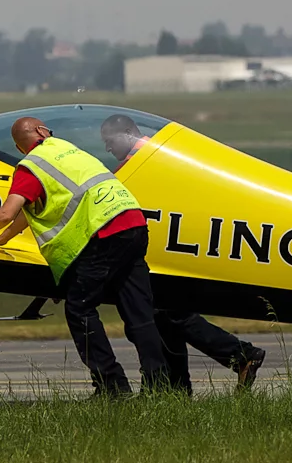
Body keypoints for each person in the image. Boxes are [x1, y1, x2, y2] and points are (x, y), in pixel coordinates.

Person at [0, 114, 170, 397]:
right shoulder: (65, 150)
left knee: (80, 309)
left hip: (104, 234)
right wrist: (3, 238)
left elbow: (6, 212)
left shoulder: (31, 167)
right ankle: (159, 387)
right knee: (139, 313)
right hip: (133, 224)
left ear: (21, 145)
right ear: (41, 131)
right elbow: (29, 208)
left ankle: (112, 385)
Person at [98, 114, 268, 393]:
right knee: (164, 314)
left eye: (109, 141)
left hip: (162, 254)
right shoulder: (150, 160)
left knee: (167, 314)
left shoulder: (137, 167)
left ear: (128, 133)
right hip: (166, 251)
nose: (107, 148)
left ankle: (239, 355)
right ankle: (177, 388)